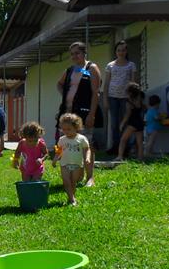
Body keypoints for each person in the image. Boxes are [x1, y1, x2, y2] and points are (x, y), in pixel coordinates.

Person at [56, 42, 102, 187]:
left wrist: (91, 115)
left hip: (84, 112)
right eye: (72, 54)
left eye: (77, 53)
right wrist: (65, 95)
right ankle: (74, 175)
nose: (74, 56)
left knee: (86, 144)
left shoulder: (91, 69)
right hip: (68, 113)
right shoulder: (70, 70)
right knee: (69, 144)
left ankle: (90, 177)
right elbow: (59, 84)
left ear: (84, 53)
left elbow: (96, 93)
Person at [103, 40, 138, 153]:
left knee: (125, 121)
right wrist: (105, 99)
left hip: (126, 98)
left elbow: (133, 83)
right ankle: (115, 146)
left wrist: (132, 99)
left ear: (126, 51)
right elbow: (107, 83)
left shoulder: (131, 65)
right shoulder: (110, 65)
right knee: (114, 123)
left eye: (123, 50)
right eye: (118, 50)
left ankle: (125, 147)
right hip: (113, 97)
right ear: (116, 52)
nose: (121, 52)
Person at [52, 113, 90, 206]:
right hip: (64, 164)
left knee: (73, 182)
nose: (66, 131)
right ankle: (72, 199)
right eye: (64, 129)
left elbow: (86, 149)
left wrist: (87, 158)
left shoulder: (81, 139)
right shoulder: (62, 139)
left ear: (76, 127)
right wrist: (55, 159)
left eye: (69, 129)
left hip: (77, 164)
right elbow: (59, 151)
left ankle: (71, 197)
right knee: (66, 181)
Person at [116, 83, 146, 162]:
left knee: (123, 140)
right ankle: (140, 158)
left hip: (132, 123)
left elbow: (127, 114)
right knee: (139, 142)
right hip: (140, 122)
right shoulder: (139, 100)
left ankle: (120, 156)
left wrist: (122, 123)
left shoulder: (129, 102)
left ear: (129, 93)